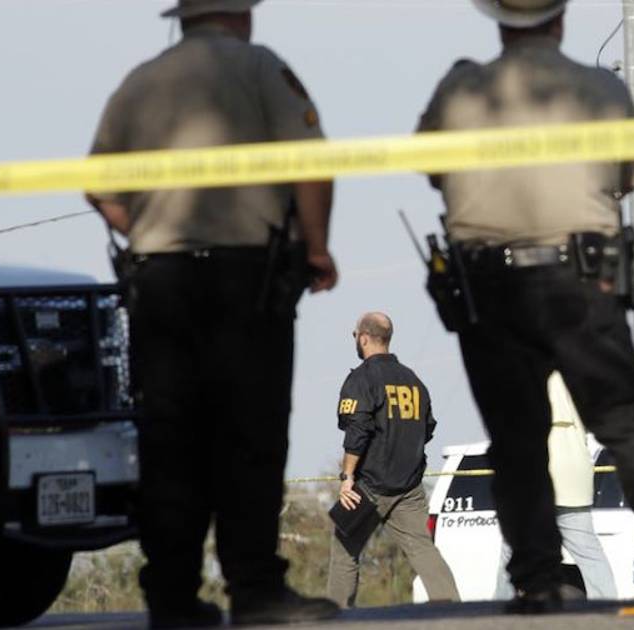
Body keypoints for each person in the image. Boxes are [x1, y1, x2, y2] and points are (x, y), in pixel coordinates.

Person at [417, 0, 634, 613]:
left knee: (515, 437)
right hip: (582, 281)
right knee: (625, 422)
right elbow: (627, 178)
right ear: (560, 19)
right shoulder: (602, 88)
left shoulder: (461, 89)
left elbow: (433, 171)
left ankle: (538, 578)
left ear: (497, 21)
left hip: (492, 286)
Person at [85, 0, 339, 626]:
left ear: (184, 17)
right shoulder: (262, 68)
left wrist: (147, 230)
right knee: (250, 434)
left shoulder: (140, 81)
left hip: (160, 282)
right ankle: (254, 589)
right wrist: (315, 247)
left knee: (170, 440)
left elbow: (98, 184)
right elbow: (311, 161)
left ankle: (171, 598)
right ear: (242, 14)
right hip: (244, 279)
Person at [327, 313, 461, 608]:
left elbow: (357, 430)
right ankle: (454, 611)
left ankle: (337, 616)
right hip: (409, 487)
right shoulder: (413, 380)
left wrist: (347, 477)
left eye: (355, 335)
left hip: (369, 486)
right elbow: (427, 428)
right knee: (422, 549)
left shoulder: (361, 379)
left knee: (345, 548)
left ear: (363, 337)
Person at [494, 372, 619, 601]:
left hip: (536, 474)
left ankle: (500, 606)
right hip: (574, 474)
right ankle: (606, 602)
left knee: (512, 548)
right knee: (589, 554)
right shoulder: (576, 376)